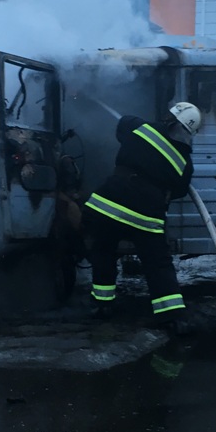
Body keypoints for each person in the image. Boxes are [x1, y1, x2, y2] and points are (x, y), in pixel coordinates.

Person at [83, 102, 201, 334]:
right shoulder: (185, 163)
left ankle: (102, 306)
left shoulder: (140, 127)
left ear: (169, 116)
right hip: (146, 216)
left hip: (108, 206)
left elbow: (122, 125)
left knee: (104, 252)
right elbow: (177, 191)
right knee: (158, 264)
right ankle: (170, 317)